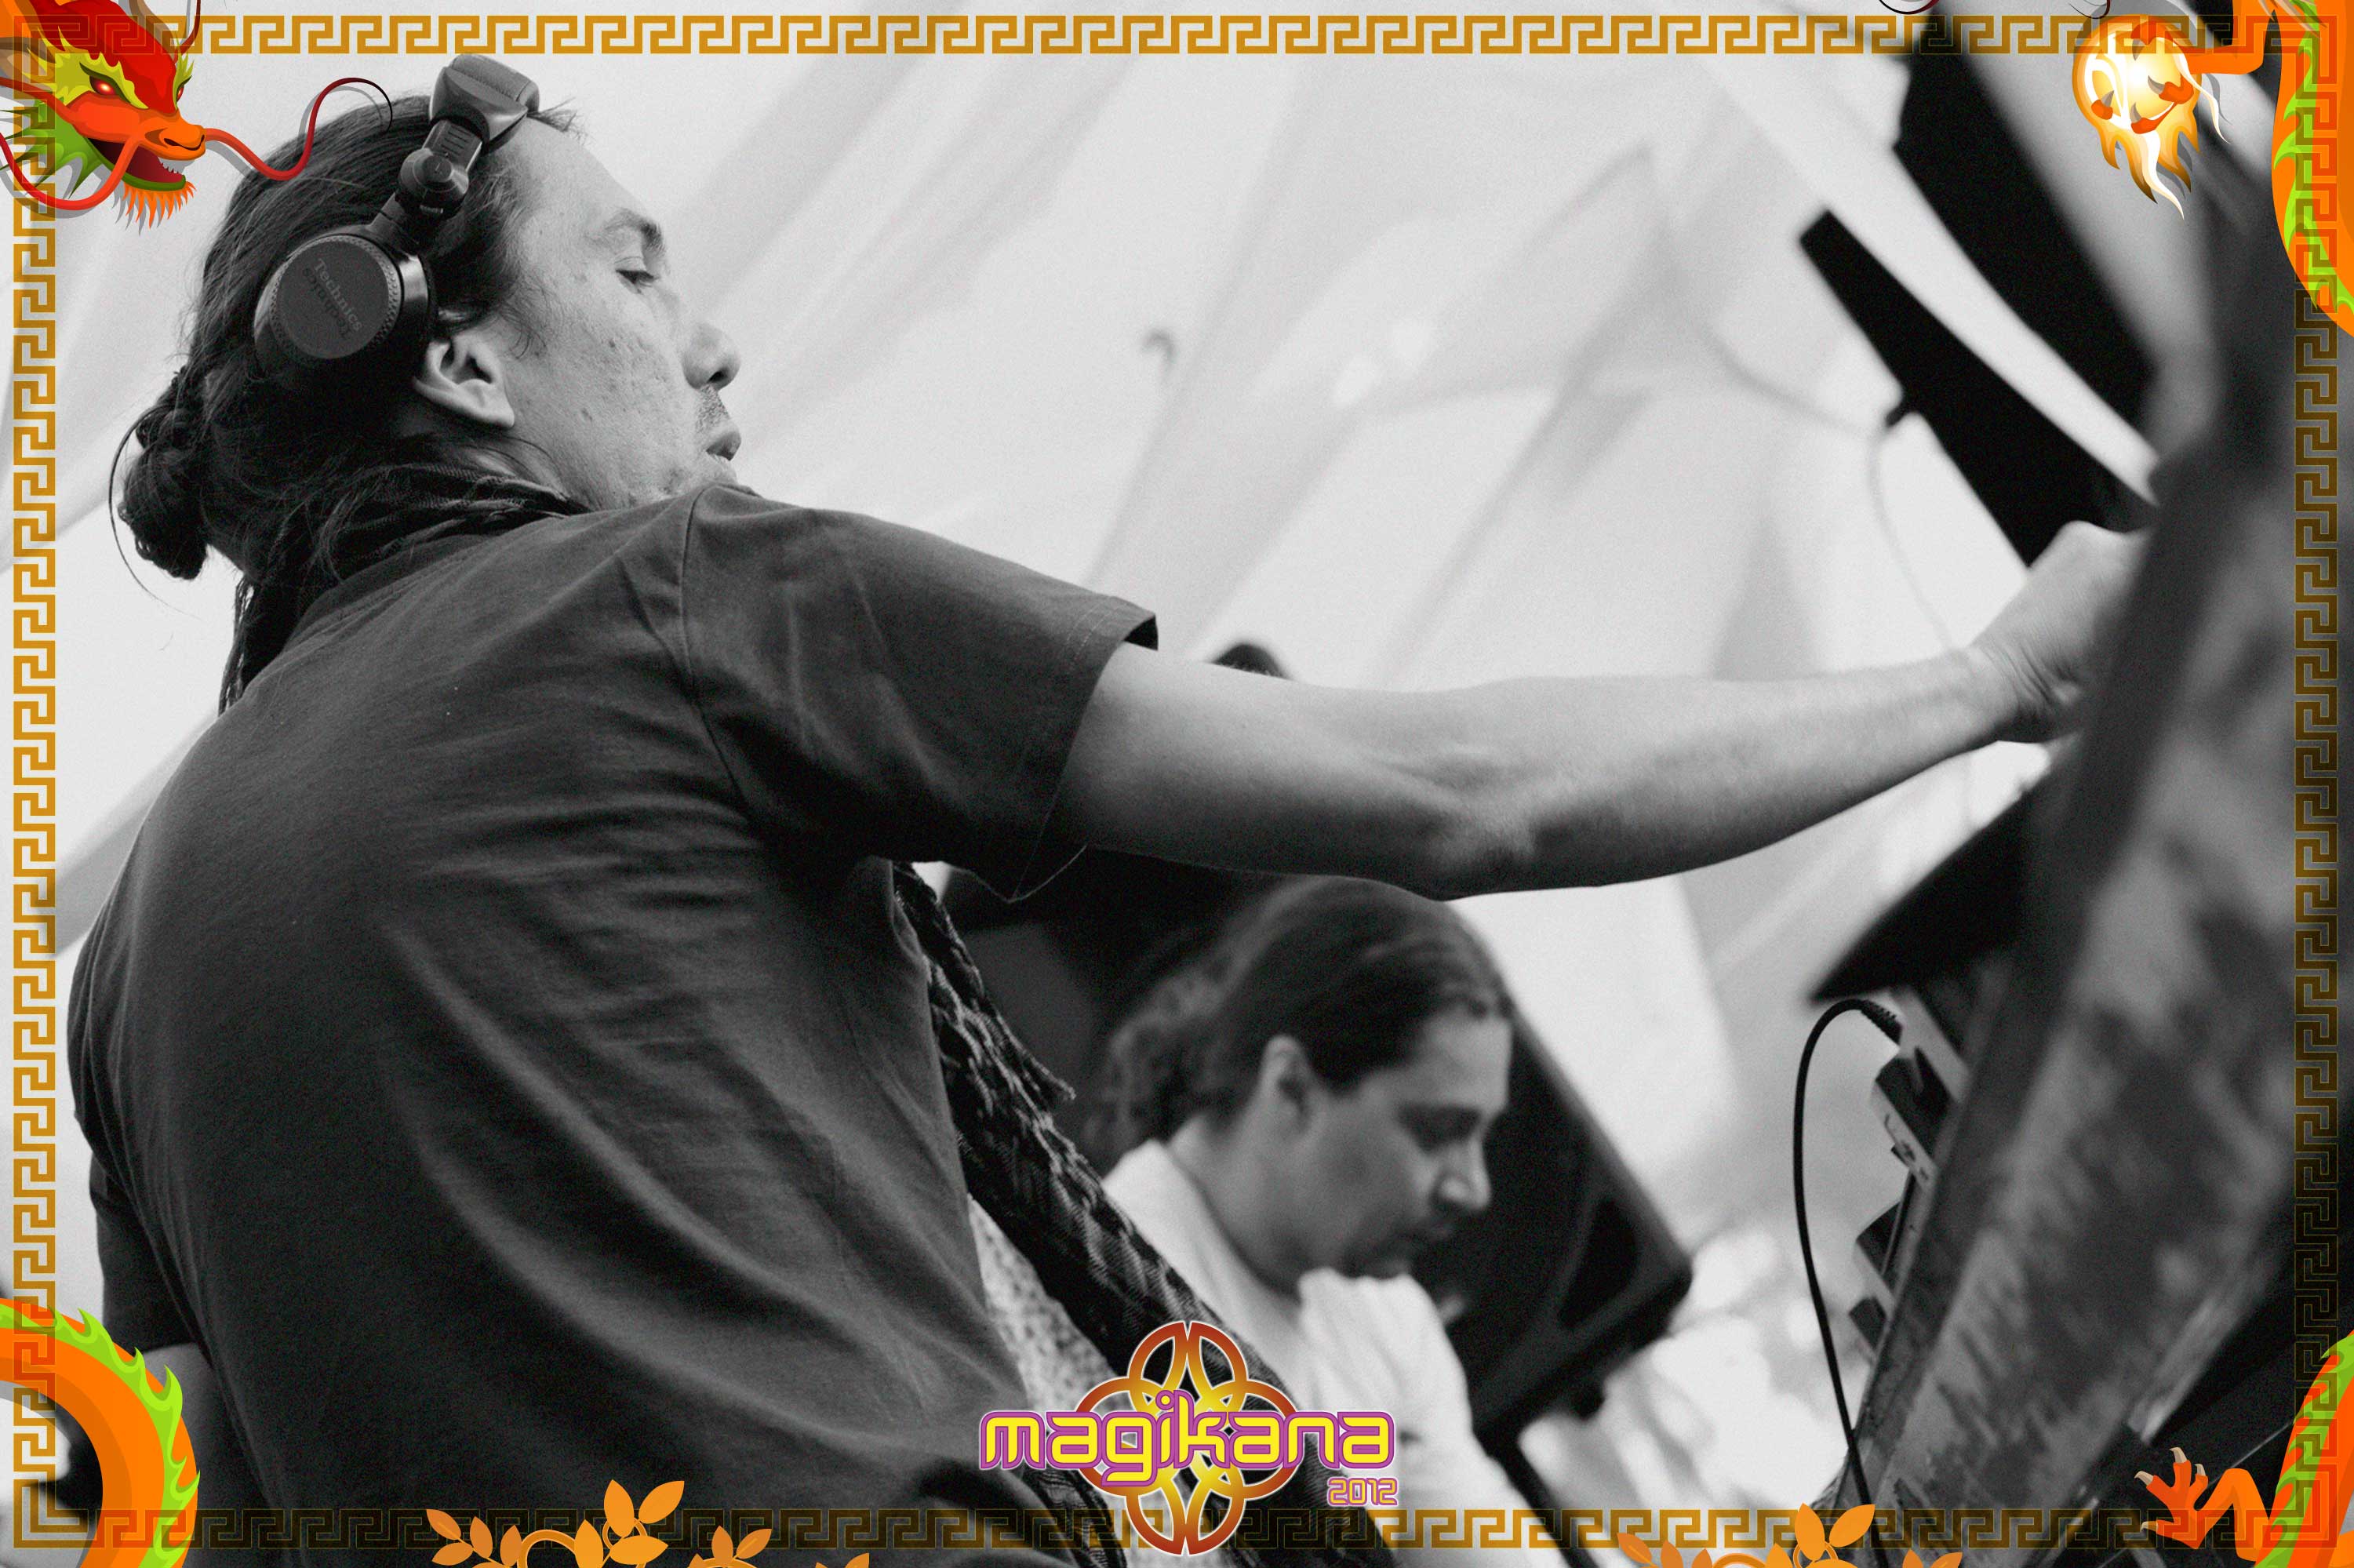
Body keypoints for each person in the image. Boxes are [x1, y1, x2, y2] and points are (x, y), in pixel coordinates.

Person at [71, 53, 2140, 1568]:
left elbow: (224, 1515)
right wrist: (1987, 679)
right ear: (457, 367)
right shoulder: (678, 591)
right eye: (632, 270)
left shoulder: (131, 958)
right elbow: (1458, 793)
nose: (710, 346)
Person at [1094, 879, 1557, 1567]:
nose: (1474, 1188)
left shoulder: (1388, 1316)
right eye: (1437, 1130)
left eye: (1482, 1135)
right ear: (1292, 1087)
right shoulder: (1102, 1296)